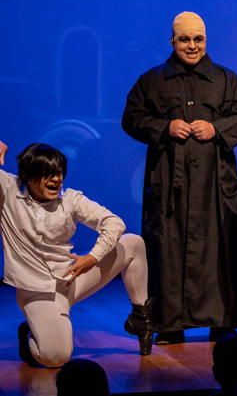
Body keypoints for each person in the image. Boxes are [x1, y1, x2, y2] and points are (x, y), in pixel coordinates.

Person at [121, 12, 237, 345]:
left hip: (215, 182)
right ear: (172, 41)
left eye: (198, 39)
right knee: (166, 249)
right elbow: (131, 118)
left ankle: (223, 321)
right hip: (171, 181)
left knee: (220, 249)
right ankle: (170, 323)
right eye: (185, 39)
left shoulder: (226, 79)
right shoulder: (152, 80)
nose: (192, 46)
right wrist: (164, 127)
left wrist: (217, 128)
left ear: (206, 40)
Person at [0, 142, 153, 368]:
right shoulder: (8, 191)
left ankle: (141, 316)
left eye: (59, 173)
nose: (56, 179)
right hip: (39, 293)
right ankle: (30, 333)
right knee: (55, 357)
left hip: (73, 278)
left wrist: (93, 257)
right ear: (29, 177)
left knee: (134, 243)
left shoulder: (70, 199)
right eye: (47, 174)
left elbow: (114, 222)